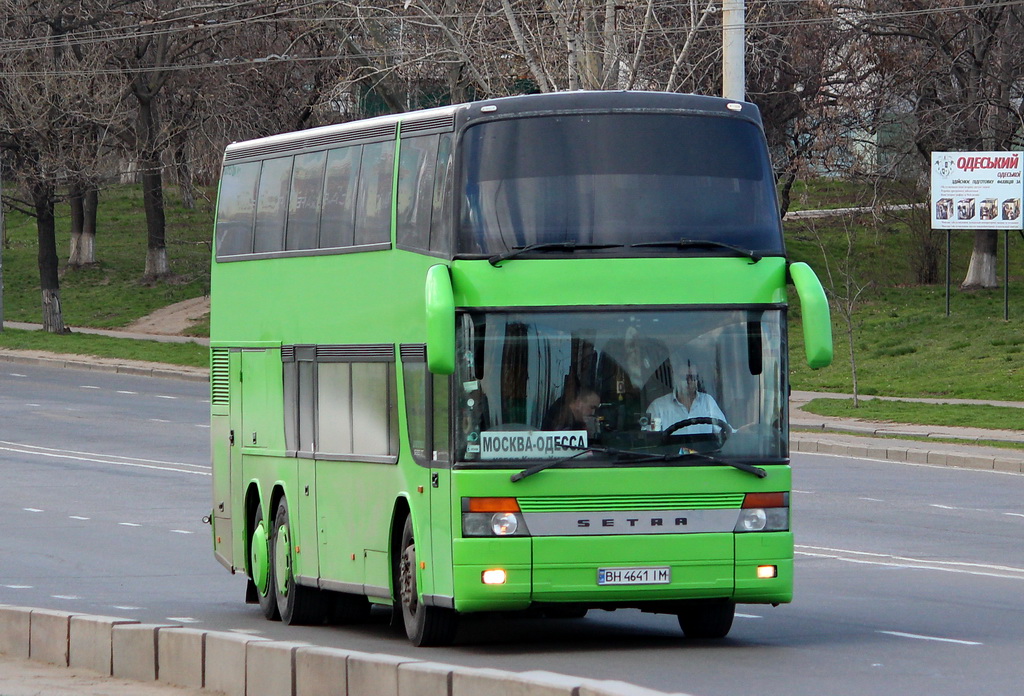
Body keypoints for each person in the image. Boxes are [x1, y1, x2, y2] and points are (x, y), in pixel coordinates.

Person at [645, 358, 730, 435]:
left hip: (705, 452)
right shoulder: (657, 407)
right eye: (684, 377)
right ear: (675, 378)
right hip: (670, 452)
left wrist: (740, 432)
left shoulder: (708, 402)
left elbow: (724, 431)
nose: (689, 381)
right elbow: (650, 440)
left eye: (693, 377)